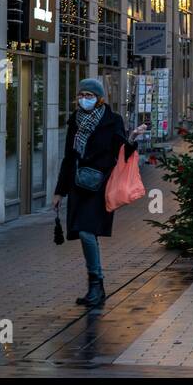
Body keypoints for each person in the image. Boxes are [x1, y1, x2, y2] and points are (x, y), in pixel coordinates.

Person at [52, 79, 149, 308]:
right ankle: (95, 288)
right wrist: (59, 192)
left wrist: (133, 137)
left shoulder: (112, 120)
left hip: (100, 185)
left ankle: (97, 284)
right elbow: (69, 158)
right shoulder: (75, 121)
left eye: (89, 95)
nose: (84, 98)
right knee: (87, 233)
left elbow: (123, 149)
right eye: (81, 94)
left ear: (99, 98)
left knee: (87, 232)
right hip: (78, 185)